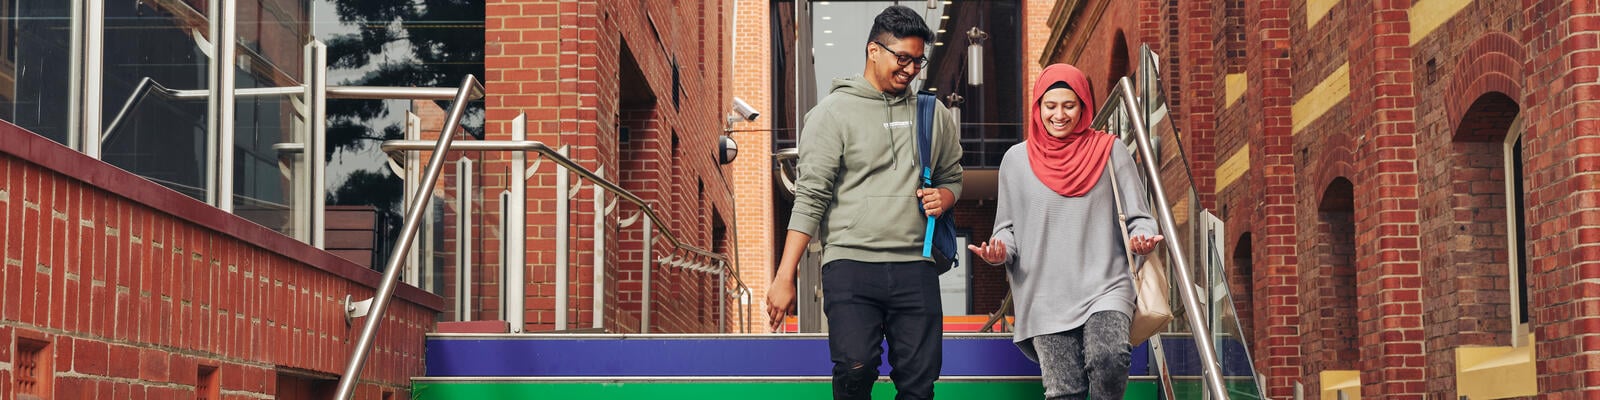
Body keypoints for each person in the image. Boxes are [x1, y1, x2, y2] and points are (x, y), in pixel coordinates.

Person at [765, 5, 963, 400]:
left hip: (916, 266)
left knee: (919, 383)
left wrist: (944, 196)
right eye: (901, 58)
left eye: (917, 61)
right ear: (874, 50)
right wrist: (786, 275)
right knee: (855, 370)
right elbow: (811, 198)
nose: (910, 69)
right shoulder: (831, 114)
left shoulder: (932, 114)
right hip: (851, 264)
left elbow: (953, 177)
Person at [966, 63, 1163, 400]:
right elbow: (1006, 229)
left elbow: (1139, 217)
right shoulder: (1016, 160)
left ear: (1084, 105)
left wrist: (1140, 238)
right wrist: (999, 250)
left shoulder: (1110, 150)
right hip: (1044, 295)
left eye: (1069, 105)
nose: (1059, 115)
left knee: (1110, 359)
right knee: (1064, 391)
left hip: (1106, 284)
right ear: (1037, 107)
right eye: (1050, 106)